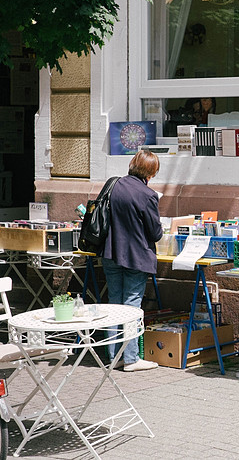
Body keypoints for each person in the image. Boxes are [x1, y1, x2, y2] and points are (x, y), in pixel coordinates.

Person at [103, 150, 163, 372]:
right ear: (150, 171)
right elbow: (155, 233)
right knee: (131, 306)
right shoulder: (147, 195)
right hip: (135, 256)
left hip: (111, 252)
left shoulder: (114, 186)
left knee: (114, 304)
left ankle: (112, 356)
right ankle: (131, 359)